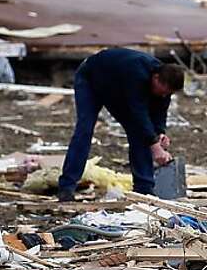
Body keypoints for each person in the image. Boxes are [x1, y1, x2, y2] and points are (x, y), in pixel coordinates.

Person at [57, 48, 187, 201]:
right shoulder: (136, 73)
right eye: (162, 91)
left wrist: (159, 133)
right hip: (91, 79)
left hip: (118, 90)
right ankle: (67, 186)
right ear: (156, 78)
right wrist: (155, 147)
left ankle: (144, 189)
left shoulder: (164, 85)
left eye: (168, 94)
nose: (164, 96)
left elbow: (159, 110)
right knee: (84, 130)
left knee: (140, 133)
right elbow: (138, 112)